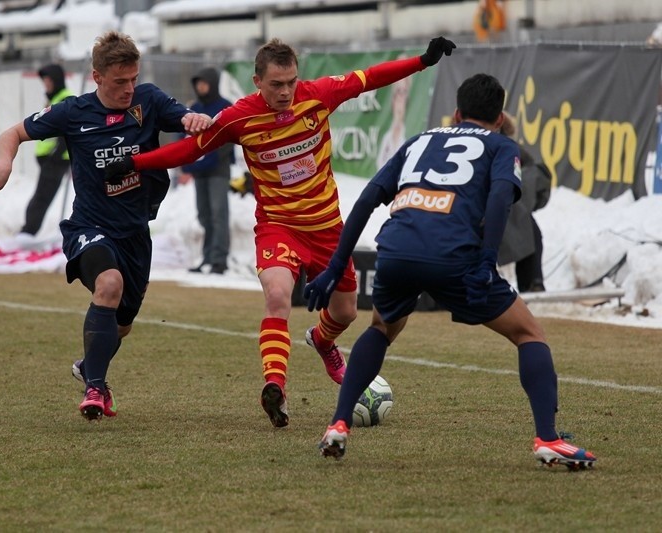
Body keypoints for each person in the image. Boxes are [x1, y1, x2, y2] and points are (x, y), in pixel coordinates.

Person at [113, 36, 456, 428]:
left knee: (345, 311)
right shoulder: (238, 118)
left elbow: (371, 78)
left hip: (328, 228)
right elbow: (191, 150)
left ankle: (323, 341)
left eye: (291, 81)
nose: (286, 91)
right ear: (257, 82)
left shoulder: (319, 95)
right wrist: (136, 164)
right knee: (277, 295)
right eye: (276, 84)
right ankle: (275, 387)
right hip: (278, 227)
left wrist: (423, 61)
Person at [305, 73, 596, 469]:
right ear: (499, 118)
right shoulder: (500, 145)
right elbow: (499, 202)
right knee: (529, 333)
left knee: (382, 328)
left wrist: (336, 265)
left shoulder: (419, 141)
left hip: (397, 251)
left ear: (456, 113)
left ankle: (338, 422)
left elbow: (368, 197)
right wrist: (485, 262)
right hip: (452, 256)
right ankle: (548, 438)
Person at [0, 31, 212, 420]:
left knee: (120, 327)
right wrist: (4, 165)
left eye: (133, 79)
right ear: (97, 77)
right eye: (120, 81)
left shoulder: (149, 100)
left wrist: (193, 118)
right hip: (89, 227)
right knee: (109, 284)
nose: (128, 88)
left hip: (135, 233)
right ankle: (96, 389)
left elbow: (184, 118)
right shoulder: (73, 112)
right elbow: (13, 133)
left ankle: (90, 367)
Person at [178, 67, 233, 275]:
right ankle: (208, 257)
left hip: (218, 170)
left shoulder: (225, 107)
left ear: (212, 83)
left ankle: (220, 259)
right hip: (199, 171)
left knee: (219, 214)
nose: (200, 87)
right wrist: (187, 163)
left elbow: (228, 139)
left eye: (204, 82)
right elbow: (184, 137)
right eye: (197, 83)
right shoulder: (195, 108)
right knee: (204, 215)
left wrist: (210, 159)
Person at [17, 63, 75, 241]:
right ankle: (27, 232)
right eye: (45, 80)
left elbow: (68, 132)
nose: (46, 84)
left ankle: (27, 234)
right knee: (41, 196)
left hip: (56, 160)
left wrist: (54, 157)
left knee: (41, 198)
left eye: (49, 80)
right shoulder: (56, 97)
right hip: (52, 159)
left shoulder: (65, 98)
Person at [497, 113, 551, 292]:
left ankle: (533, 282)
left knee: (528, 227)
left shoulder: (512, 150)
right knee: (528, 227)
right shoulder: (509, 147)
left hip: (503, 211)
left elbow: (535, 178)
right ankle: (533, 281)